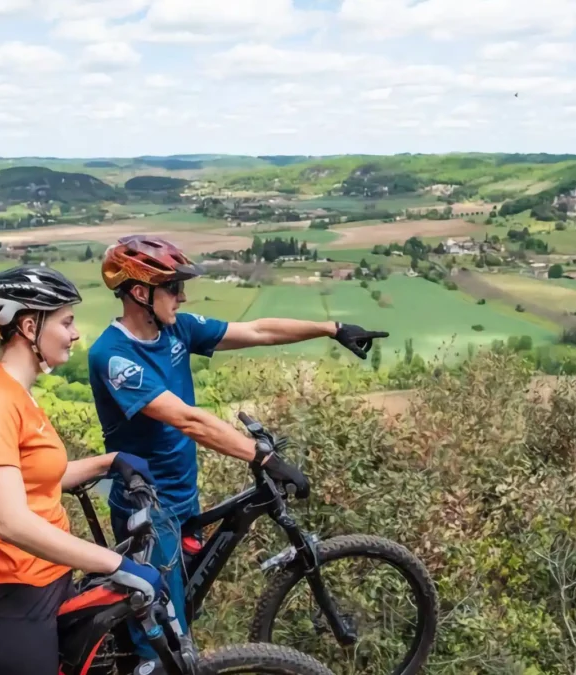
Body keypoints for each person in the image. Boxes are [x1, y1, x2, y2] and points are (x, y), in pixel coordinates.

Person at [87, 235, 389, 671]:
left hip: (182, 499)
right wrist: (262, 457)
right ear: (140, 292)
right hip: (148, 512)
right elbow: (188, 420)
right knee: (161, 644)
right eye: (173, 287)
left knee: (182, 611)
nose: (182, 296)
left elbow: (257, 330)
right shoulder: (113, 357)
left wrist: (332, 328)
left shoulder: (176, 329)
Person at [0, 265, 163, 675]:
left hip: (47, 581)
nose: (75, 333)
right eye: (66, 322)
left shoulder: (19, 395)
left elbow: (38, 478)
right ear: (30, 326)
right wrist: (113, 563)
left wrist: (110, 460)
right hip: (9, 598)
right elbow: (10, 521)